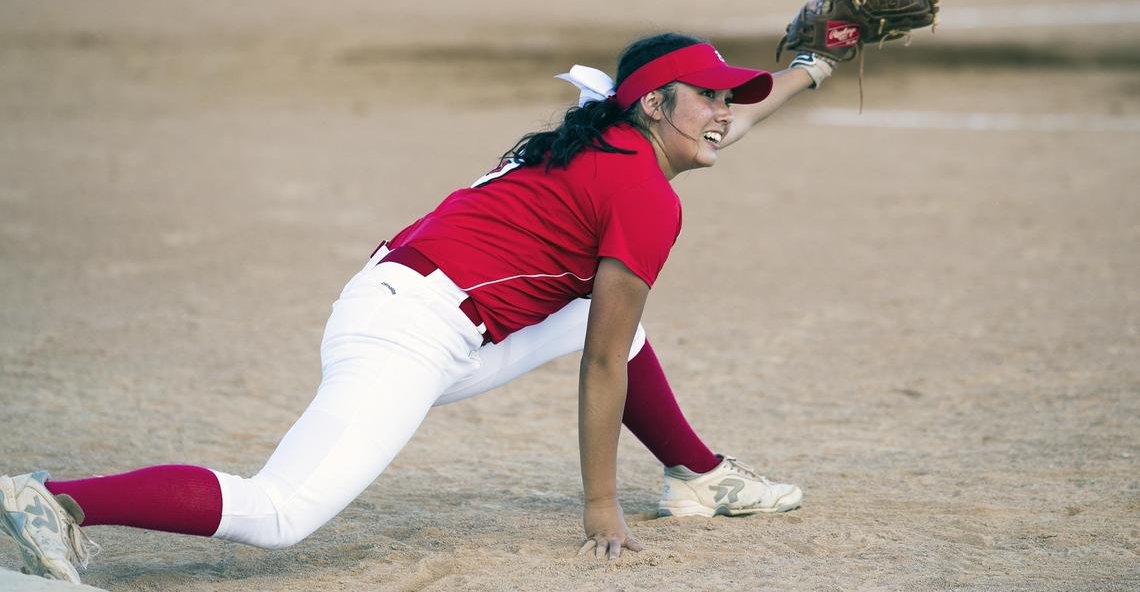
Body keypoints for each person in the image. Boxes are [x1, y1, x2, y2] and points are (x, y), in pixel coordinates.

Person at [1, 32, 837, 582]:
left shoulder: (608, 134)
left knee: (593, 317)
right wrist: (599, 505)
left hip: (418, 306)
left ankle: (698, 474)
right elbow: (604, 365)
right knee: (281, 512)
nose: (725, 115)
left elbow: (728, 131)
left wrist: (816, 65)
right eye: (710, 99)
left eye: (732, 100)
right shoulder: (645, 193)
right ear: (655, 105)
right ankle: (57, 497)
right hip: (409, 332)